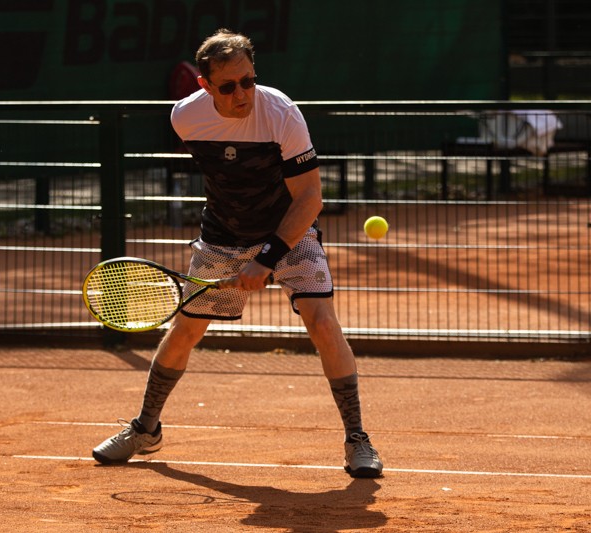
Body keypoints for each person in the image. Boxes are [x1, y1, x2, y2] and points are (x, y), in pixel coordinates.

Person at [93, 29, 383, 478]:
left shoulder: (281, 113)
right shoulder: (186, 118)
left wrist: (266, 258)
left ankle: (357, 438)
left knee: (323, 322)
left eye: (248, 81)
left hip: (290, 232)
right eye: (227, 86)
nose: (242, 93)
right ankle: (145, 428)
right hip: (222, 237)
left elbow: (310, 199)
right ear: (205, 85)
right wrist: (241, 252)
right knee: (185, 330)